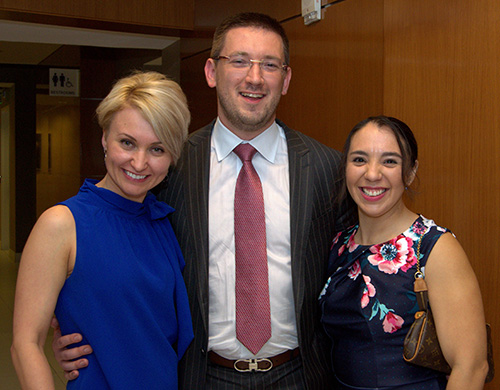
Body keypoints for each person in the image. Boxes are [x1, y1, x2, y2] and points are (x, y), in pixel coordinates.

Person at [51, 12, 355, 389]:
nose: (254, 78)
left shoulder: (327, 168)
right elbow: (123, 260)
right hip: (200, 376)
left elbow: (353, 275)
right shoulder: (169, 166)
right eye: (239, 61)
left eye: (270, 65)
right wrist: (78, 328)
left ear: (286, 79)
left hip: (301, 375)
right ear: (211, 72)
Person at [11, 71, 194, 390]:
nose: (139, 163)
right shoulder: (62, 223)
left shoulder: (162, 221)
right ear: (104, 139)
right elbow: (25, 344)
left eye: (157, 149)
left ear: (172, 156)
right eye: (127, 143)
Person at [319, 115, 489, 389]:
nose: (372, 174)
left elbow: (470, 367)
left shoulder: (434, 248)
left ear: (410, 172)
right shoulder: (338, 244)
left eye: (389, 161)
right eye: (359, 159)